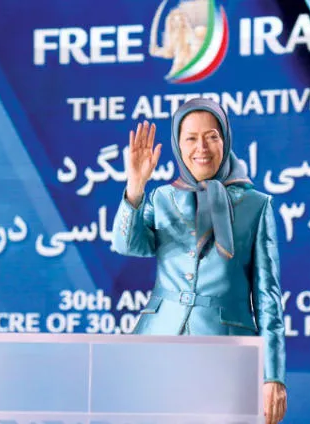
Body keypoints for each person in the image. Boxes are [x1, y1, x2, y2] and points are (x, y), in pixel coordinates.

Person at [111, 98, 287, 424]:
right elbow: (127, 245)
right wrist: (135, 186)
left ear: (226, 140)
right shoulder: (162, 198)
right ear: (178, 146)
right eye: (190, 138)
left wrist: (272, 376)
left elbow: (268, 300)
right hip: (158, 341)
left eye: (211, 137)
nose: (201, 148)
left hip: (226, 350)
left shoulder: (256, 205)